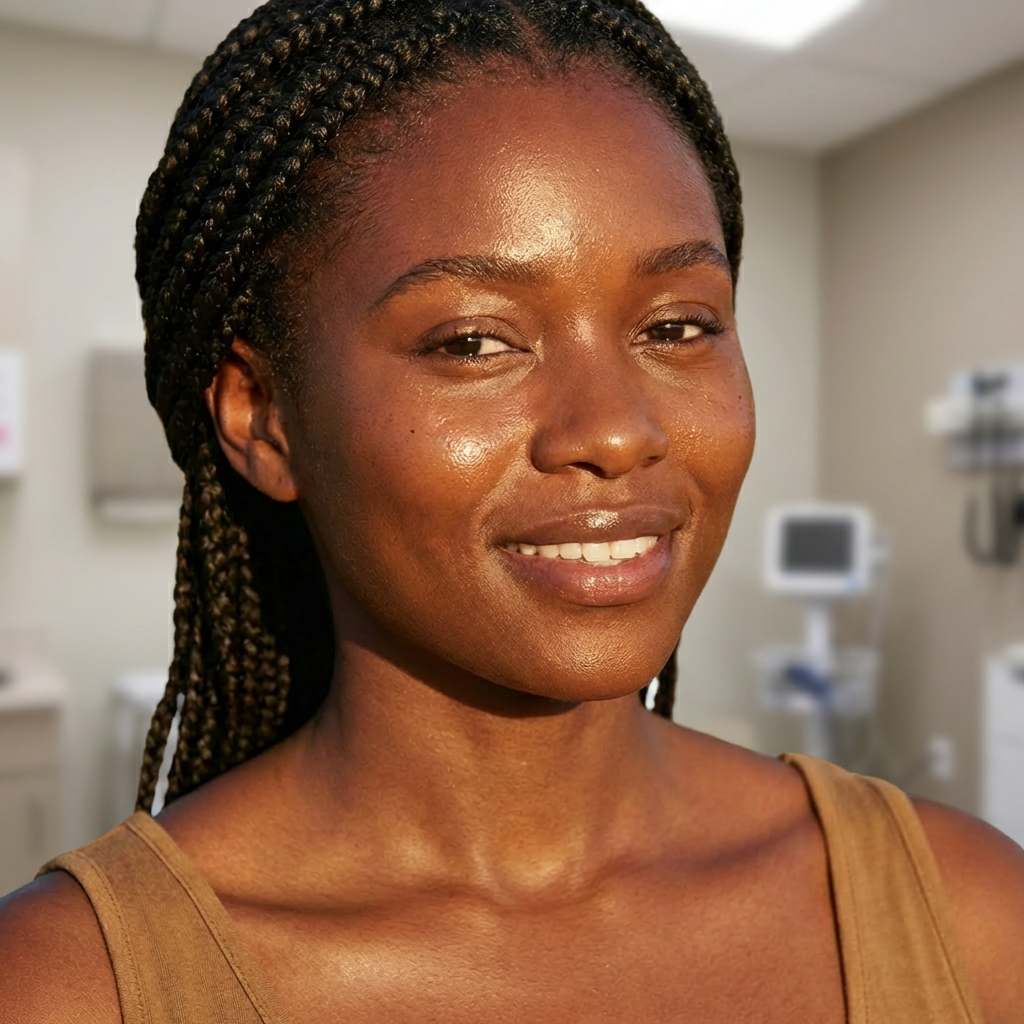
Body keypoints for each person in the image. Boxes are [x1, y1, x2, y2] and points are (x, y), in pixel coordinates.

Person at [3, 1, 1024, 1020]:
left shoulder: (967, 911)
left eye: (676, 325)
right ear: (263, 416)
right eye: (474, 342)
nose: (616, 431)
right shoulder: (68, 986)